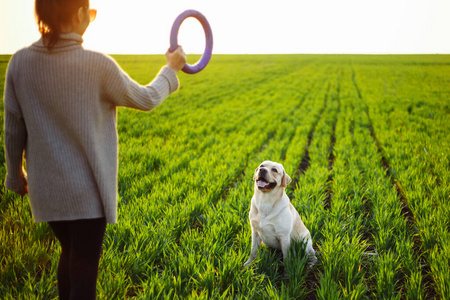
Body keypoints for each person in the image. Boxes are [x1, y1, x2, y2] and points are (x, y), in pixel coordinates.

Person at [3, 0, 186, 299]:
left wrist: (15, 175)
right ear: (78, 15)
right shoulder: (97, 65)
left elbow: (13, 127)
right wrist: (170, 69)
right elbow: (147, 98)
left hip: (46, 194)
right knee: (84, 273)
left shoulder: (20, 62)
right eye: (89, 11)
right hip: (86, 196)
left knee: (70, 253)